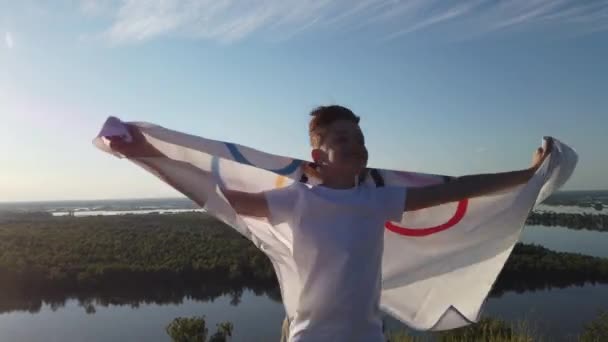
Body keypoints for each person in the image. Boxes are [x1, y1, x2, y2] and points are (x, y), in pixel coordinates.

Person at [110, 105, 551, 342]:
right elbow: (222, 195)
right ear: (318, 155)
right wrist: (150, 156)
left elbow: (456, 190)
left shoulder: (379, 200)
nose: (357, 145)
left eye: (360, 138)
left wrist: (525, 176)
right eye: (343, 138)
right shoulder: (297, 200)